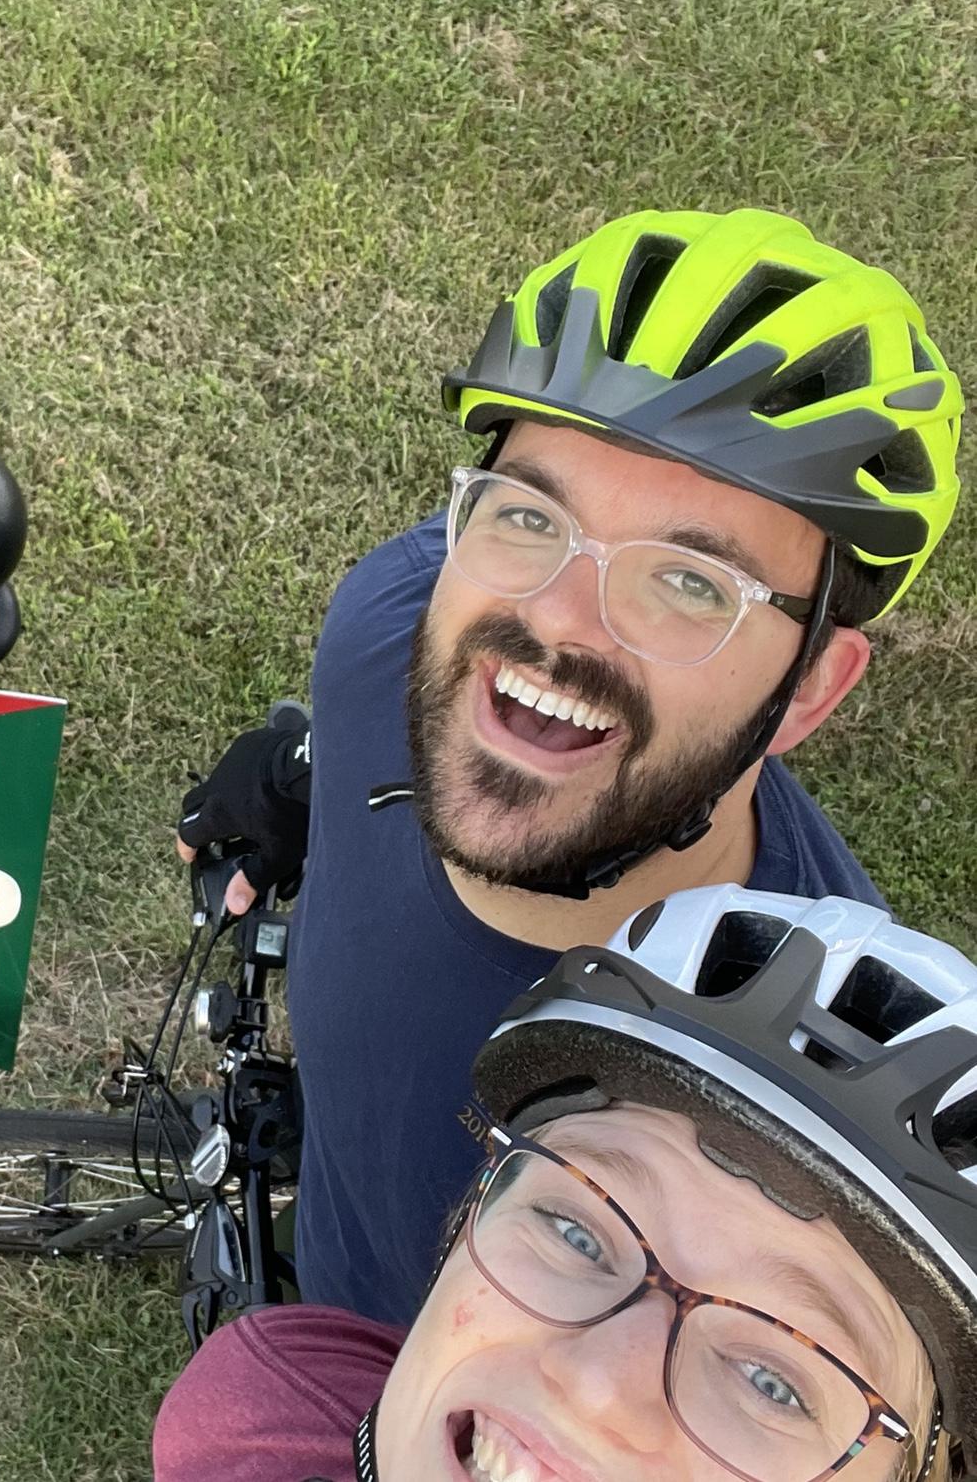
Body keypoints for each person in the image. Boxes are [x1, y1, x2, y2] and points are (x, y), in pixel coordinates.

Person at [175, 207, 966, 1326]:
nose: (552, 620)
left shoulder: (803, 1109)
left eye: (692, 583)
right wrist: (299, 780)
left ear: (809, 691)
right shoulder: (386, 630)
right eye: (532, 512)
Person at [153, 884, 977, 1481]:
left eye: (775, 1383)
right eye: (576, 1231)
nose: (594, 1388)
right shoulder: (249, 1420)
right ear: (466, 1220)